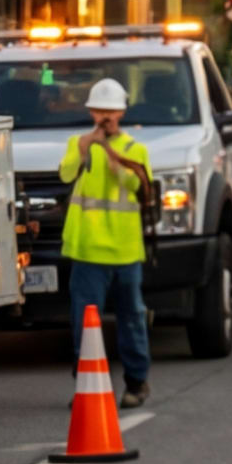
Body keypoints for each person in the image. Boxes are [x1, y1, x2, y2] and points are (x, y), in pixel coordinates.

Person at [57, 77, 155, 406]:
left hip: (125, 251)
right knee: (84, 324)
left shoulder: (135, 150)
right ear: (90, 112)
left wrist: (115, 158)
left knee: (132, 319)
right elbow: (67, 174)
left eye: (111, 112)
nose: (105, 118)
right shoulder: (78, 144)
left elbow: (143, 190)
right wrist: (88, 146)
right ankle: (87, 385)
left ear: (122, 114)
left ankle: (137, 382)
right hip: (87, 250)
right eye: (100, 111)